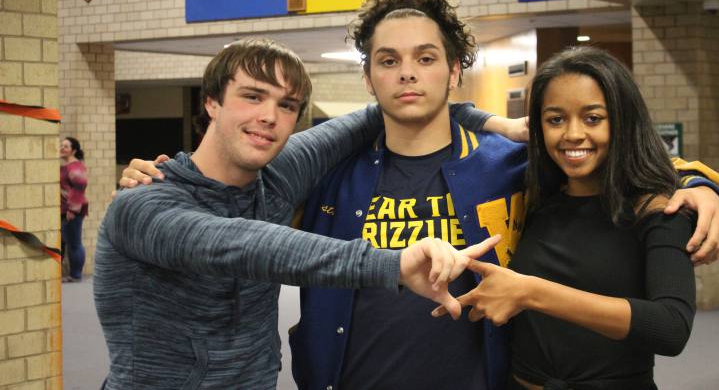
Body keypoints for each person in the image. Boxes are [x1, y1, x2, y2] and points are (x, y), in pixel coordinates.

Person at [122, 0, 719, 390]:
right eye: (388, 61)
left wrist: (702, 185)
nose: (407, 72)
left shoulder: (510, 165)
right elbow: (234, 202)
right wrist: (161, 180)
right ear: (368, 76)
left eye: (425, 58)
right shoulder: (324, 172)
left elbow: (612, 164)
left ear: (455, 69)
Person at [94, 38, 501, 390]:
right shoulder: (143, 203)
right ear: (212, 102)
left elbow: (383, 112)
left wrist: (493, 122)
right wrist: (392, 263)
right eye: (253, 96)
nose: (270, 116)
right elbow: (243, 245)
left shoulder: (277, 177)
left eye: (287, 105)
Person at [435, 46, 713, 389]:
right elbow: (436, 111)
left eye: (593, 118)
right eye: (555, 119)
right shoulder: (535, 197)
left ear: (622, 120)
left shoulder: (659, 209)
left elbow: (671, 328)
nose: (572, 134)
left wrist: (531, 292)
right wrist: (498, 124)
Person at [60, 136, 88, 282]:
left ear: (74, 150)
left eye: (66, 146)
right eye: (61, 145)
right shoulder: (63, 166)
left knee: (74, 243)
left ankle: (76, 275)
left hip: (73, 210)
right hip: (62, 210)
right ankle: (65, 273)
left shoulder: (76, 167)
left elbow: (79, 189)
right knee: (64, 242)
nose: (62, 148)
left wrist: (73, 210)